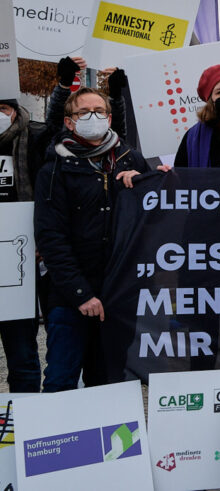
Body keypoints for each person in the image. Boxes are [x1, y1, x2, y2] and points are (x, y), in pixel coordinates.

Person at [35, 87, 149, 392]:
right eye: (83, 112)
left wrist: (153, 181)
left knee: (109, 383)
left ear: (110, 118)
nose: (93, 117)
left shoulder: (130, 159)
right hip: (69, 297)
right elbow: (50, 236)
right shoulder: (55, 167)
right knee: (61, 380)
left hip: (117, 296)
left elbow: (154, 218)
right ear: (70, 122)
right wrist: (81, 293)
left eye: (99, 111)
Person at [0, 98, 49, 393]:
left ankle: (26, 412)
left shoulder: (36, 137)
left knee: (21, 351)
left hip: (18, 261)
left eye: (2, 109)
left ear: (15, 111)